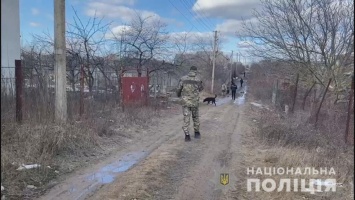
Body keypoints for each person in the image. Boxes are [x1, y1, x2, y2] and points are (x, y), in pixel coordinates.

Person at [176, 66, 204, 141]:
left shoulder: (183, 79)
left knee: (186, 118)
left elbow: (178, 89)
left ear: (190, 70)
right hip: (195, 102)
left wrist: (179, 95)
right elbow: (201, 88)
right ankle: (197, 133)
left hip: (185, 102)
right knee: (195, 118)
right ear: (195, 71)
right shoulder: (198, 79)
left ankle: (187, 135)